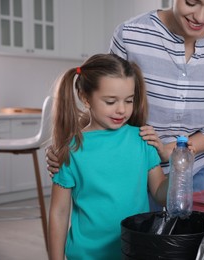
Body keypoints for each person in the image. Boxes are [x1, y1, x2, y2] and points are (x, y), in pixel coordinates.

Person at [47, 0, 204, 208]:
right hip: (132, 172)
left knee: (194, 240)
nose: (201, 17)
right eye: (191, 2)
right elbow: (105, 101)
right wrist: (71, 145)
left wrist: (178, 152)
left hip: (196, 172)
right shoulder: (130, 35)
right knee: (134, 239)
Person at [48, 54, 169, 260]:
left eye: (129, 100)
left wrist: (181, 170)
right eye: (111, 101)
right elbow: (59, 213)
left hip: (135, 251)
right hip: (86, 255)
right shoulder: (72, 150)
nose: (121, 109)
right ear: (85, 98)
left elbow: (160, 192)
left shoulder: (142, 139)